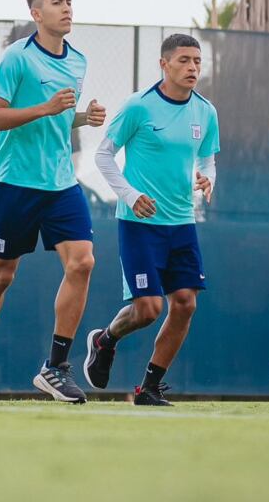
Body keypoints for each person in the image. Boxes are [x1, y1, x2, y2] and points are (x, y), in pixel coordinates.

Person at [0, 0, 105, 404]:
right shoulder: (16, 59)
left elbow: (56, 120)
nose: (67, 9)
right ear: (36, 14)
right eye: (57, 3)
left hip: (60, 183)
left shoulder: (77, 60)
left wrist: (81, 118)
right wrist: (45, 107)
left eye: (69, 2)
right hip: (14, 182)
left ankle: (56, 367)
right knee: (1, 276)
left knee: (82, 263)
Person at [83, 33, 219, 406]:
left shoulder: (206, 111)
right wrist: (130, 195)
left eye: (197, 61)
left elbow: (207, 158)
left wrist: (209, 178)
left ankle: (149, 388)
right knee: (148, 309)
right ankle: (104, 339)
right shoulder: (138, 107)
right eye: (184, 61)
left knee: (186, 303)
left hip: (182, 222)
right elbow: (104, 156)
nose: (192, 68)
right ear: (164, 64)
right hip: (139, 223)